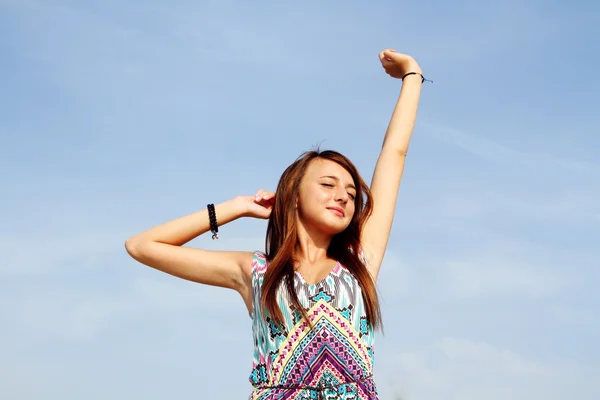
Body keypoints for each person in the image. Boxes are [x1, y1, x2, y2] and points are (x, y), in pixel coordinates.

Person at [125, 49, 425, 400]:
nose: (343, 196)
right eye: (328, 185)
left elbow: (394, 155)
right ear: (294, 195)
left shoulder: (361, 259)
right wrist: (236, 207)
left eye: (349, 191)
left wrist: (412, 76)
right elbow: (142, 246)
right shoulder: (255, 271)